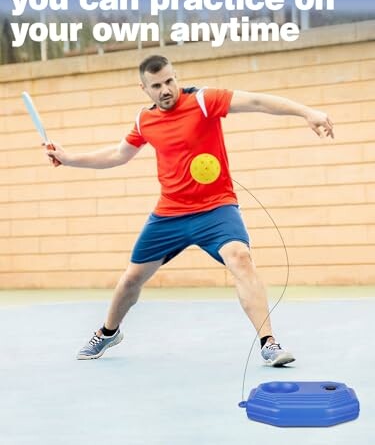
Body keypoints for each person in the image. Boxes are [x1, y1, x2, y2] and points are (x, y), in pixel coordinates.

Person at [46, 55, 334, 366]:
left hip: (216, 209)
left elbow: (256, 102)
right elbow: (118, 154)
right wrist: (69, 158)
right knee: (131, 279)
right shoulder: (145, 120)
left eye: (170, 81)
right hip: (170, 214)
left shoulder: (204, 100)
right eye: (157, 85)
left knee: (240, 258)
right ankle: (108, 332)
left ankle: (269, 343)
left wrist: (307, 112)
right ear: (143, 88)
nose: (166, 89)